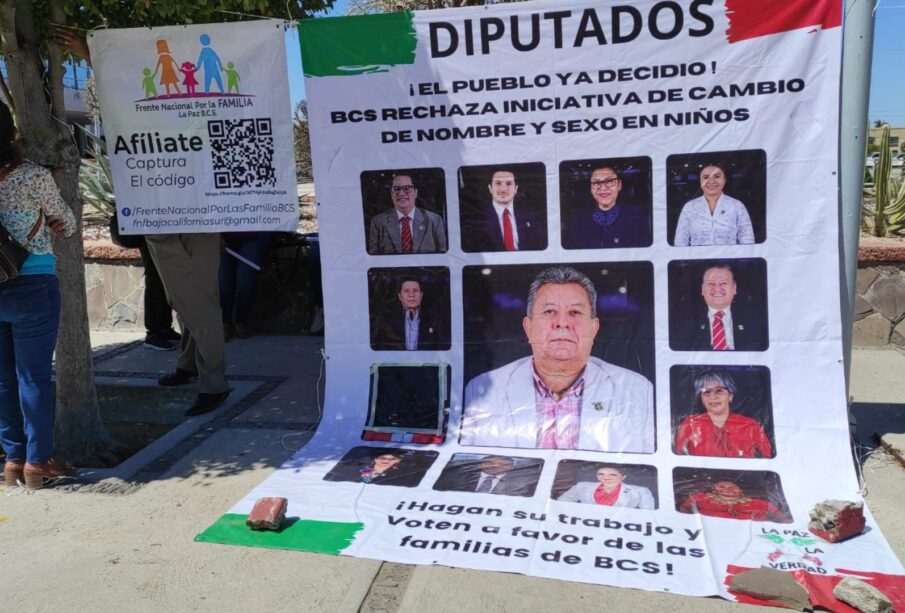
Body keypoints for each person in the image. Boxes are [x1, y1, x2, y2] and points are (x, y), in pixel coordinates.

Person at [461, 266, 654, 452]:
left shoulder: (637, 391)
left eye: (575, 312)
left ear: (594, 328)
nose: (562, 323)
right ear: (528, 327)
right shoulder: (484, 390)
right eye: (549, 311)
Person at [0, 101, 77, 489]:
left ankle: (11, 460)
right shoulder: (31, 176)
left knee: (2, 379)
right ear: (10, 133)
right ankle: (37, 461)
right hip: (33, 283)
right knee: (32, 376)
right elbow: (67, 222)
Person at [675, 371, 773, 458]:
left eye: (719, 391)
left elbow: (767, 459)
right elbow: (679, 456)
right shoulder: (691, 423)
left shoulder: (750, 425)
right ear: (701, 398)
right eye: (706, 392)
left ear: (730, 395)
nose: (713, 397)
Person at [671, 265, 767, 351]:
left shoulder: (754, 320)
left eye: (723, 283)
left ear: (734, 288)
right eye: (710, 283)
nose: (717, 289)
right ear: (702, 290)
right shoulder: (683, 322)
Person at [563, 166, 651, 249]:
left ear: (619, 185)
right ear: (591, 188)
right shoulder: (578, 221)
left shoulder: (637, 218)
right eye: (596, 183)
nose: (603, 188)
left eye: (609, 181)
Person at [460, 169, 545, 252]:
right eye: (498, 183)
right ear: (490, 188)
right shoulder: (477, 219)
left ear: (516, 189)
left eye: (509, 184)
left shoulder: (530, 216)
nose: (503, 189)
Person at [674, 163, 755, 246]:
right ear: (700, 181)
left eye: (717, 176)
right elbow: (680, 242)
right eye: (706, 177)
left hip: (729, 258)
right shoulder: (690, 207)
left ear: (724, 180)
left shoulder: (737, 206)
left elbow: (748, 240)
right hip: (697, 258)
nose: (711, 181)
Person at [367, 174, 447, 254]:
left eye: (407, 188)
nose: (401, 193)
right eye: (396, 189)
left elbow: (444, 256)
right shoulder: (378, 222)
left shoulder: (434, 220)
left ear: (415, 193)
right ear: (391, 194)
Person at [219, 232, 272, 340]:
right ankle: (224, 323)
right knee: (224, 283)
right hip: (224, 234)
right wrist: (216, 236)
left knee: (246, 282)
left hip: (255, 234)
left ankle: (242, 321)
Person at [372, 277, 446, 350]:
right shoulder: (387, 321)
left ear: (421, 295)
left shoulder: (435, 320)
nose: (411, 295)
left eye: (415, 290)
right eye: (407, 291)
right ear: (400, 297)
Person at [679, 480, 791, 522]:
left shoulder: (760, 503)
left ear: (740, 491)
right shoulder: (700, 497)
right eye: (721, 486)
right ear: (713, 490)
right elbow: (683, 510)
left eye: (733, 487)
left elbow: (783, 519)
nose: (727, 489)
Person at [432, 455, 539, 497]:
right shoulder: (457, 477)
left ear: (511, 467)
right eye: (489, 462)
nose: (495, 466)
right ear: (480, 464)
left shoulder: (521, 484)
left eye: (503, 464)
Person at [558, 465, 655, 509]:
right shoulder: (582, 486)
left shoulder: (640, 491)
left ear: (623, 477)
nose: (606, 477)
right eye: (601, 474)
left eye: (612, 475)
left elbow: (648, 513)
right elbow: (563, 501)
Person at [323, 450, 424, 487]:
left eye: (392, 459)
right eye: (383, 458)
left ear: (396, 461)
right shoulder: (356, 469)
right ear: (375, 459)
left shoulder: (399, 475)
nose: (386, 461)